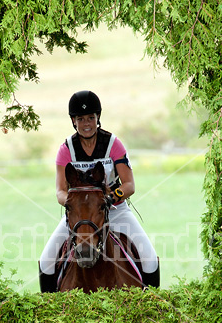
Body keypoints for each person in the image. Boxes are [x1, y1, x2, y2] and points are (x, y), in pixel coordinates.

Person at [39, 90, 160, 292]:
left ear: (98, 119)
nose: (87, 123)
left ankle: (154, 307)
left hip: (115, 209)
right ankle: (49, 310)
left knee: (149, 259)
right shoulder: (66, 150)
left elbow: (129, 185)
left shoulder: (113, 145)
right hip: (79, 214)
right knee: (46, 261)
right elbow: (60, 191)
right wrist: (72, 203)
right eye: (81, 119)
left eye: (91, 118)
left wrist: (110, 199)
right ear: (73, 121)